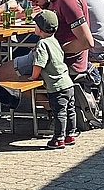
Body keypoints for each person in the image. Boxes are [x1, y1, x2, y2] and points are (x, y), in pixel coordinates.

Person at [0, 0, 94, 81]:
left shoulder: (67, 0)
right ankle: (46, 97)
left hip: (68, 61)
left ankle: (51, 97)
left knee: (3, 73)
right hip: (56, 55)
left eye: (34, 0)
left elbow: (87, 42)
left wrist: (52, 50)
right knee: (15, 71)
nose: (33, 4)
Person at [27, 10, 77, 149]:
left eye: (36, 25)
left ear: (41, 28)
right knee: (70, 110)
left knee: (59, 113)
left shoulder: (42, 44)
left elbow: (39, 63)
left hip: (57, 87)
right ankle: (70, 134)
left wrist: (33, 77)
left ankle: (58, 138)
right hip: (68, 83)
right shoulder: (54, 41)